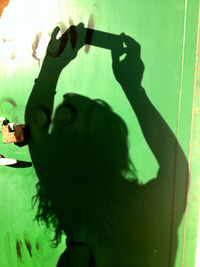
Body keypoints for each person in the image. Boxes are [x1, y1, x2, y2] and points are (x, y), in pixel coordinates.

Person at [25, 23, 189, 266]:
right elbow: (176, 168)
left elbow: (34, 125)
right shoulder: (138, 211)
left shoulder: (73, 207)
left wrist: (53, 65)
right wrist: (133, 88)